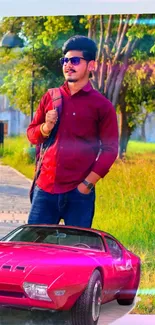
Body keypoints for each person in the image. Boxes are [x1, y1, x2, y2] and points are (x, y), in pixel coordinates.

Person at [27, 35, 119, 227]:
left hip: (79, 195)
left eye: (75, 60)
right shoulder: (50, 97)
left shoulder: (102, 106)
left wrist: (86, 185)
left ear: (91, 66)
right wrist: (45, 127)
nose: (68, 65)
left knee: (76, 254)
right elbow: (32, 135)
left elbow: (110, 149)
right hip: (45, 190)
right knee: (35, 251)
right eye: (65, 60)